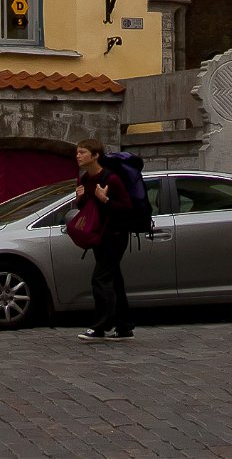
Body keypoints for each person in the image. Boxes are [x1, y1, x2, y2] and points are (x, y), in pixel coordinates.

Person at [72, 138, 134, 339]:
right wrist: (80, 200)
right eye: (77, 152)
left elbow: (126, 209)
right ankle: (124, 327)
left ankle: (100, 326)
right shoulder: (84, 179)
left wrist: (105, 199)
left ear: (95, 155)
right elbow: (90, 210)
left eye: (82, 152)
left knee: (99, 279)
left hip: (116, 236)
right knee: (114, 280)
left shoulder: (112, 179)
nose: (78, 156)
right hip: (99, 236)